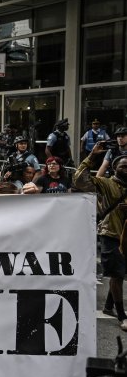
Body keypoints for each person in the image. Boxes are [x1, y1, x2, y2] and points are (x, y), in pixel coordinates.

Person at [74, 141, 127, 330]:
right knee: (117, 274)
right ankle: (122, 315)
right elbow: (79, 180)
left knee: (119, 273)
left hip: (126, 236)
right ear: (115, 169)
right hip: (111, 234)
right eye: (123, 166)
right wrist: (92, 156)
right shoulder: (105, 184)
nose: (126, 169)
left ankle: (108, 306)